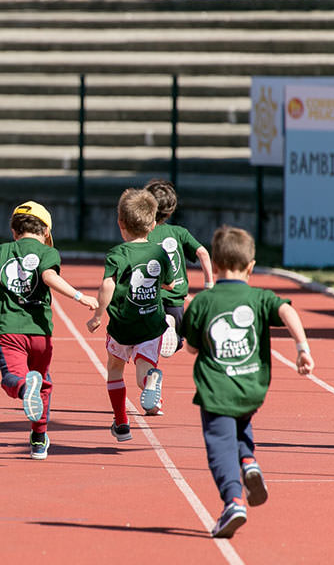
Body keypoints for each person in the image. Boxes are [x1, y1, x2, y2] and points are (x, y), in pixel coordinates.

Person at [182, 225, 314, 538]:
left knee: (219, 445)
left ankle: (233, 500)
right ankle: (249, 459)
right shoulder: (260, 297)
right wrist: (302, 347)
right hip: (251, 387)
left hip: (217, 391)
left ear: (214, 266)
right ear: (251, 267)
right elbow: (287, 310)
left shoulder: (203, 302)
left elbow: (190, 347)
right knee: (240, 424)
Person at [0, 202, 98, 460]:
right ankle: (39, 439)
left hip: (9, 331)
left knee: (12, 379)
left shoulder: (2, 251)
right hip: (41, 332)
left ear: (15, 231)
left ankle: (22, 389)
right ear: (45, 232)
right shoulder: (48, 252)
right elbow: (49, 278)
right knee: (43, 385)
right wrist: (79, 296)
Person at [86, 189, 175, 441]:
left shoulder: (117, 254)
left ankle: (122, 422)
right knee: (142, 374)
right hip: (150, 325)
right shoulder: (159, 253)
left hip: (122, 326)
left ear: (120, 223)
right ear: (152, 224)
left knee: (114, 369)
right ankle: (150, 380)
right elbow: (169, 284)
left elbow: (107, 285)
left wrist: (97, 316)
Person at [145, 179, 214, 357]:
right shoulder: (179, 232)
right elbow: (203, 254)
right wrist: (209, 285)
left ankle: (159, 333)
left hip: (154, 294)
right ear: (171, 210)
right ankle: (172, 332)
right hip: (177, 296)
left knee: (149, 339)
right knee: (176, 342)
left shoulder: (143, 234)